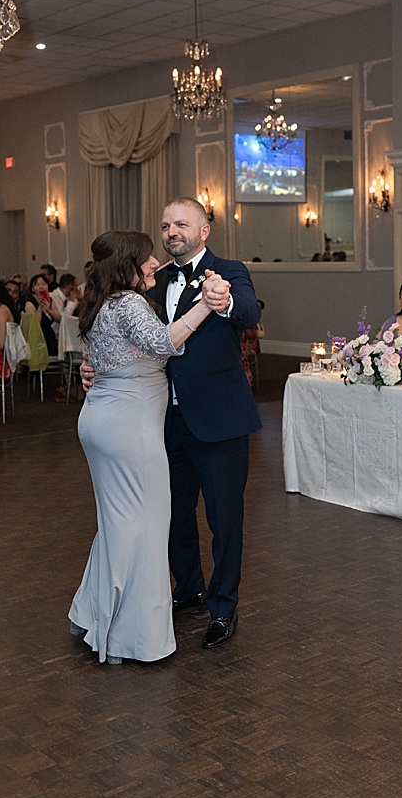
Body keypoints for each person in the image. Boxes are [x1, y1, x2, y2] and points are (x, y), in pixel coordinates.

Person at [79, 199, 263, 651]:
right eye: (165, 225)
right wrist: (95, 366)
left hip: (218, 417)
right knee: (172, 513)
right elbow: (124, 335)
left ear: (204, 230)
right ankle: (188, 589)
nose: (171, 231)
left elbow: (250, 312)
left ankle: (222, 607)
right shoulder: (150, 280)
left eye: (181, 224)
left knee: (225, 519)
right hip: (160, 418)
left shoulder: (229, 270)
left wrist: (223, 300)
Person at [69, 230, 216, 665]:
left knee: (118, 523)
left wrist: (87, 368)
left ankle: (93, 615)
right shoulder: (129, 302)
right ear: (128, 264)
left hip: (103, 420)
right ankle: (132, 637)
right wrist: (205, 305)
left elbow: (104, 357)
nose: (154, 264)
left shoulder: (98, 302)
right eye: (147, 259)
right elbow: (163, 343)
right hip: (129, 427)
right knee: (146, 524)